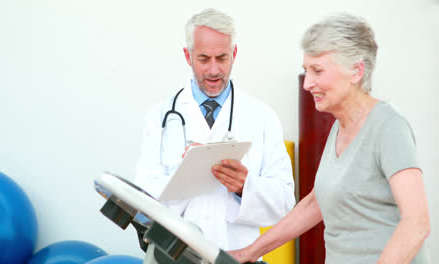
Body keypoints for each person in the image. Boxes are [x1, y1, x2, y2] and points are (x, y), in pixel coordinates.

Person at [229, 13, 430, 263]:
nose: (307, 83)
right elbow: (316, 202)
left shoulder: (389, 126)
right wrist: (248, 253)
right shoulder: (339, 127)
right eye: (306, 71)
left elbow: (417, 224)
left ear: (356, 71)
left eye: (318, 71)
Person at [134, 7, 295, 254]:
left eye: (221, 58)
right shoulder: (160, 116)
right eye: (203, 59)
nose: (213, 70)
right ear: (188, 56)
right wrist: (186, 172)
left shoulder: (262, 117)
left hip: (236, 255)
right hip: (173, 256)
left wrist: (245, 187)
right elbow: (142, 201)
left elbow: (284, 202)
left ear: (234, 54)